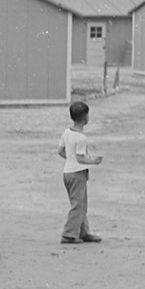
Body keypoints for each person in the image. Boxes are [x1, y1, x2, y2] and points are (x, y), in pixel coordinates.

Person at [57, 102, 103, 244]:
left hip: (68, 173)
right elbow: (80, 157)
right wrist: (94, 161)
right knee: (78, 205)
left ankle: (83, 232)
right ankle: (69, 234)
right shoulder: (81, 138)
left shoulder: (67, 132)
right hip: (77, 174)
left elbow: (60, 151)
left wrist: (70, 160)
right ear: (85, 118)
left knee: (80, 204)